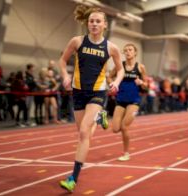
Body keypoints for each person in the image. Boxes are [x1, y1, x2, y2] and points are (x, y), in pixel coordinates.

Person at [58, 6, 124, 193]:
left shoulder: (111, 47)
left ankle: (73, 178)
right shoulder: (77, 41)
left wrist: (117, 82)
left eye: (97, 21)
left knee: (83, 133)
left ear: (104, 24)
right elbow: (62, 60)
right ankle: (99, 117)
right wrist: (65, 76)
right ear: (88, 24)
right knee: (83, 132)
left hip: (97, 92)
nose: (94, 24)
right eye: (91, 21)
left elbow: (120, 69)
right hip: (78, 92)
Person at [108, 43, 147, 161]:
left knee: (124, 127)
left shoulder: (140, 67)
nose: (127, 52)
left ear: (135, 53)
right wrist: (112, 83)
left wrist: (142, 83)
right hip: (120, 100)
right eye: (125, 50)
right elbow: (109, 77)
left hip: (134, 101)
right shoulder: (120, 66)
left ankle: (126, 153)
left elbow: (146, 85)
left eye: (130, 50)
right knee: (115, 129)